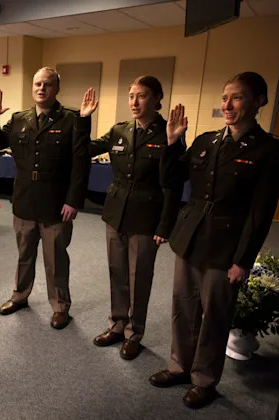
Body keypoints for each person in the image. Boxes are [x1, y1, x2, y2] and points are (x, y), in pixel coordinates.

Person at [150, 72, 279, 409]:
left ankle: (204, 380)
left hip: (226, 247)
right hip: (191, 238)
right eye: (225, 97)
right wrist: (172, 144)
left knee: (214, 315)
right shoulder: (206, 140)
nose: (227, 104)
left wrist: (243, 260)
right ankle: (179, 366)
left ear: (259, 102)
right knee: (183, 306)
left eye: (237, 97)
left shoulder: (270, 150)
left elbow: (261, 212)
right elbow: (171, 179)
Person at [0, 67, 93, 329]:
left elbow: (80, 163)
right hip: (25, 201)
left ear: (57, 88)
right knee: (24, 255)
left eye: (47, 84)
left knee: (55, 258)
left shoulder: (70, 120)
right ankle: (20, 296)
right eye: (37, 84)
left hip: (56, 203)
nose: (41, 88)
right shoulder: (20, 119)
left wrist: (73, 200)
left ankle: (60, 306)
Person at [87, 76, 184, 360]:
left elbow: (173, 184)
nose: (134, 102)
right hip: (116, 214)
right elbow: (87, 149)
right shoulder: (120, 129)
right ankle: (117, 325)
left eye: (141, 96)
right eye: (131, 96)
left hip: (146, 217)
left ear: (157, 99)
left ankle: (134, 333)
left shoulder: (169, 133)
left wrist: (166, 225)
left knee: (139, 277)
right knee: (117, 273)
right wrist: (83, 120)